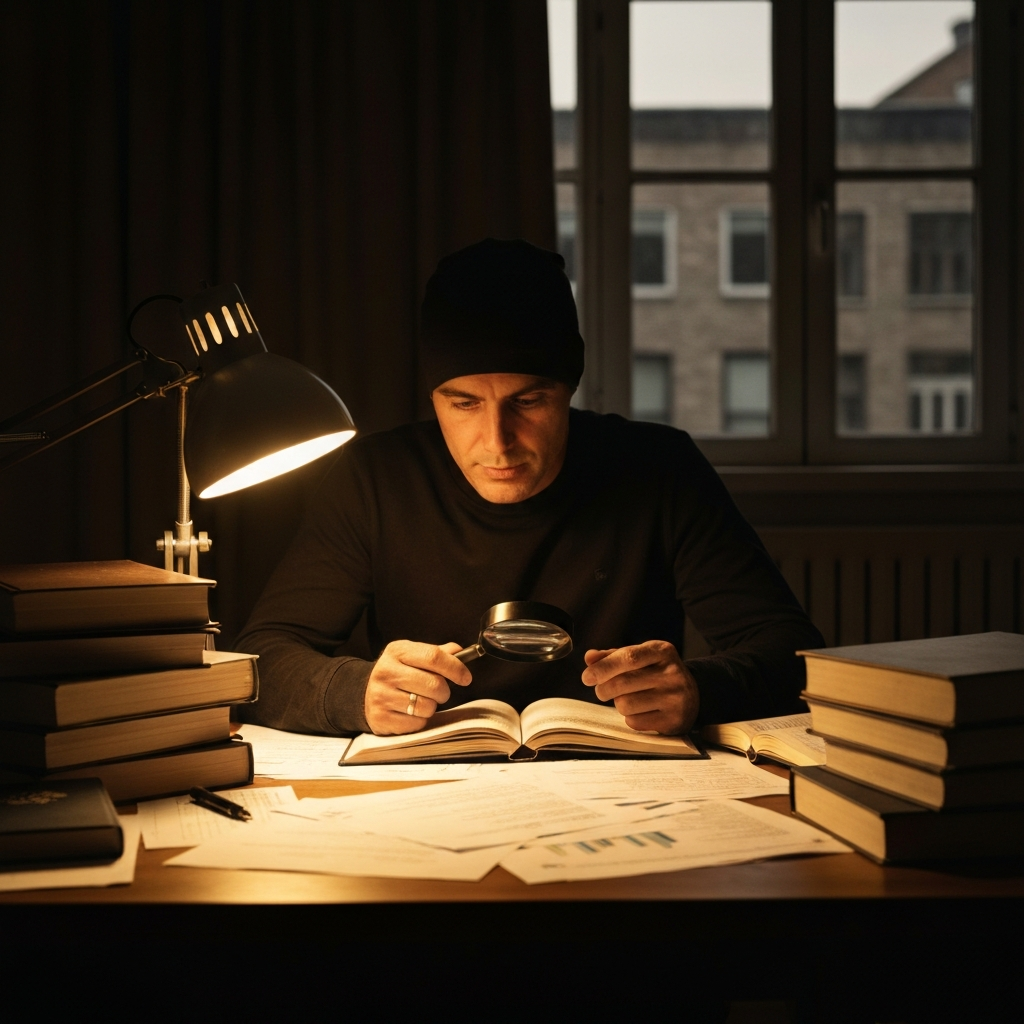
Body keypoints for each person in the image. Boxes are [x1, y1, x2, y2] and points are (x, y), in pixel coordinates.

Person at [235, 238, 823, 738]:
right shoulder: (374, 479)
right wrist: (353, 690)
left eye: (529, 401)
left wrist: (699, 689)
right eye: (464, 403)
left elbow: (794, 656)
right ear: (433, 397)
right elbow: (262, 657)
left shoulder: (659, 468)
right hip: (431, 788)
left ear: (568, 389)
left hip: (625, 793)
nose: (498, 440)